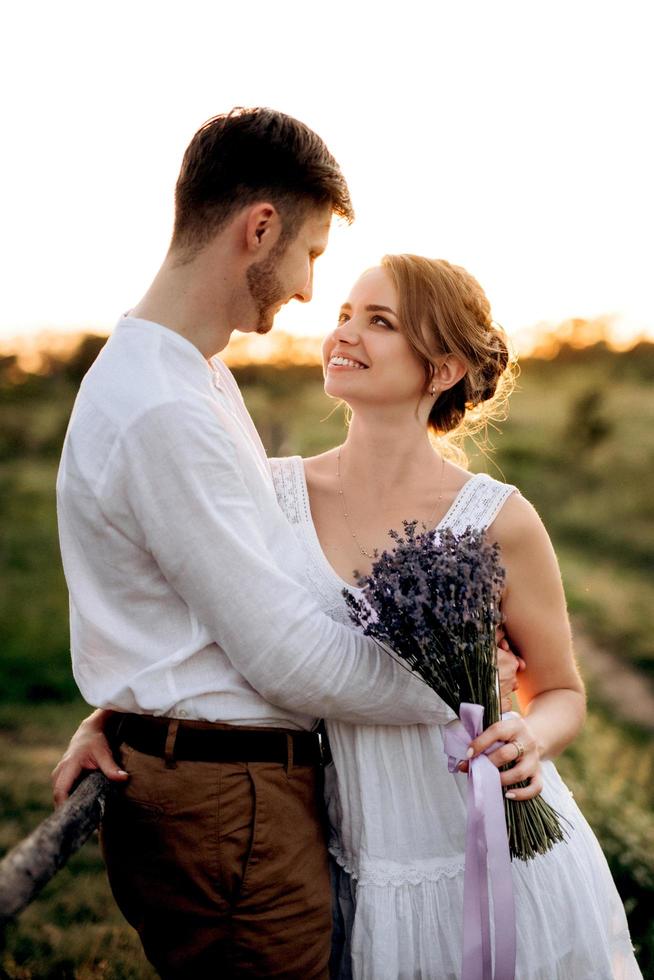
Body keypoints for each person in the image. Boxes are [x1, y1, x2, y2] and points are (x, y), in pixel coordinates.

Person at [54, 107, 520, 979]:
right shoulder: (162, 406)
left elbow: (227, 589)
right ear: (258, 229)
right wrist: (459, 695)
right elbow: (287, 656)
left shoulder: (195, 379)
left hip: (240, 792)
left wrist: (124, 706)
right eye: (309, 255)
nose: (308, 291)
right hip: (231, 811)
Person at [266, 254, 641, 979]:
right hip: (359, 853)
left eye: (379, 322)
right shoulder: (272, 494)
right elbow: (216, 633)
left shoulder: (499, 518)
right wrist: (112, 716)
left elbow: (561, 691)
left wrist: (529, 739)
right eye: (345, 313)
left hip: (505, 858)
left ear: (441, 369)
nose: (344, 333)